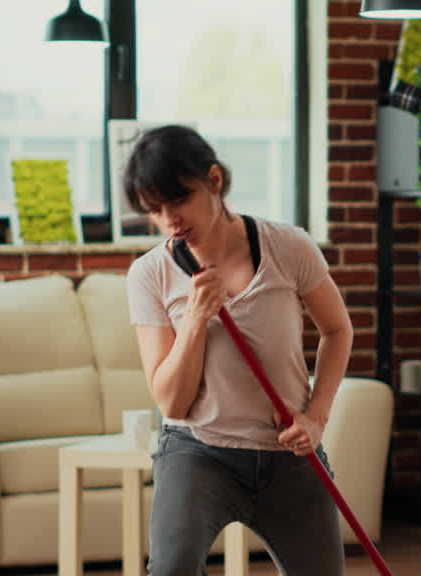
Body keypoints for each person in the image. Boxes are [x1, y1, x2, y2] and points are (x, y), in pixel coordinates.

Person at [123, 125, 352, 576]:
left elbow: (338, 330)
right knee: (171, 571)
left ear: (214, 180)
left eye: (179, 199)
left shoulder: (289, 246)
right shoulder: (149, 274)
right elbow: (171, 401)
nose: (169, 219)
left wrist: (317, 416)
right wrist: (194, 319)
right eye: (155, 209)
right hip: (198, 451)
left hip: (289, 454)